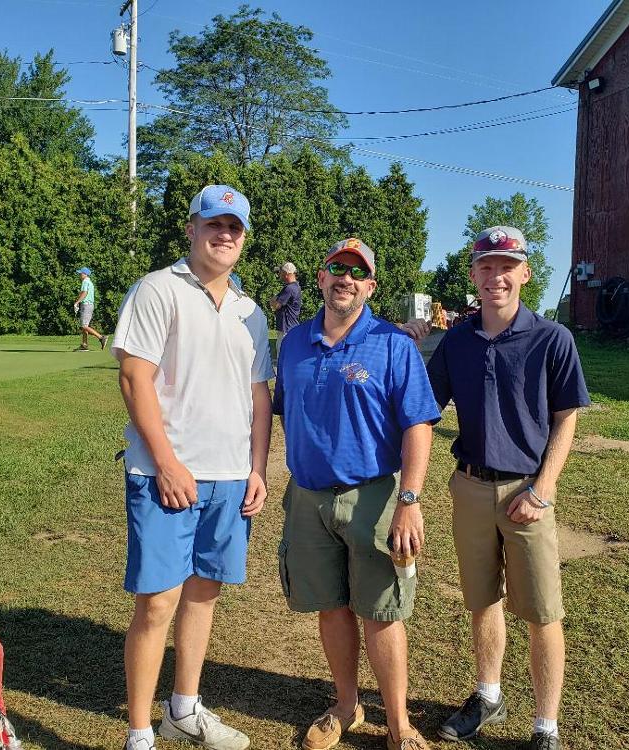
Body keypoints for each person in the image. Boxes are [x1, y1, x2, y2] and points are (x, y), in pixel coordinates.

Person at [412, 225, 590, 750]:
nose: (496, 277)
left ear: (524, 273)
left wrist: (542, 490)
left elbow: (566, 418)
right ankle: (488, 695)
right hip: (469, 488)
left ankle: (545, 728)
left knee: (541, 612)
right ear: (473, 274)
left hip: (526, 496)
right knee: (483, 601)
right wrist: (405, 346)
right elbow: (423, 409)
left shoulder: (552, 337)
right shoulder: (458, 340)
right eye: (486, 266)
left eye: (506, 266)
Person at [110, 184, 273, 750]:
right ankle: (139, 734)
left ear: (243, 237)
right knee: (158, 601)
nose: (224, 234)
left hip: (230, 477)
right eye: (214, 224)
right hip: (164, 475)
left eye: (234, 227)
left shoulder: (250, 311)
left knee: (204, 593)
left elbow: (259, 395)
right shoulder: (158, 289)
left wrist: (257, 468)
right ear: (192, 228)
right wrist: (166, 462)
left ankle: (184, 709)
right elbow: (135, 378)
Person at [272, 238, 442, 750]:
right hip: (306, 497)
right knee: (331, 607)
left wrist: (410, 501)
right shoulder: (294, 343)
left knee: (381, 612)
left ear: (370, 286)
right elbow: (281, 409)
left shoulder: (392, 343)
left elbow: (419, 425)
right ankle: (346, 707)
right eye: (336, 268)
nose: (345, 277)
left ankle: (398, 725)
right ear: (320, 278)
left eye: (357, 272)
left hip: (373, 497)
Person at [73, 267, 108, 350]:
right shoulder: (89, 282)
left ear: (85, 274)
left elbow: (84, 293)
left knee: (84, 326)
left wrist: (77, 302)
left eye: (80, 273)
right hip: (88, 305)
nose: (79, 275)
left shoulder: (85, 282)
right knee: (85, 325)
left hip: (86, 305)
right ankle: (84, 345)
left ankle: (101, 337)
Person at [269, 261, 302, 342]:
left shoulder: (289, 289)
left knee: (282, 353)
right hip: (290, 327)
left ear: (286, 273)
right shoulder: (294, 287)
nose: (279, 274)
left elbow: (275, 305)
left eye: (280, 272)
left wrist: (272, 301)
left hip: (286, 329)